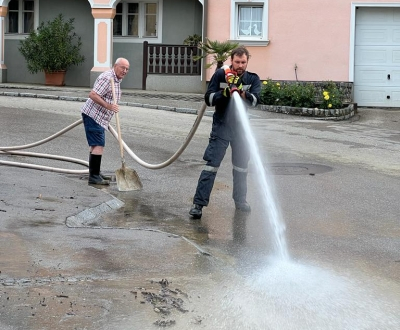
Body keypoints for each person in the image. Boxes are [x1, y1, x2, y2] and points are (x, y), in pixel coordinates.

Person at [189, 46, 261, 219]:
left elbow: (256, 101)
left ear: (247, 62)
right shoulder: (221, 75)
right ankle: (198, 204)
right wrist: (225, 93)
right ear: (231, 60)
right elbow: (209, 98)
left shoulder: (253, 78)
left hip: (241, 130)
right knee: (211, 165)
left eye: (243, 62)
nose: (240, 65)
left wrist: (242, 93)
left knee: (241, 166)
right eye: (237, 62)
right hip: (221, 127)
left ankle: (240, 201)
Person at [81, 57, 130, 185]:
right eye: (122, 68)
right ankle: (94, 177)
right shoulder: (107, 78)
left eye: (127, 69)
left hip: (101, 118)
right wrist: (108, 106)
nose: (125, 71)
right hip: (94, 115)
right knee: (98, 145)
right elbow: (93, 94)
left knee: (95, 145)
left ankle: (95, 173)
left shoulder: (116, 79)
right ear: (115, 66)